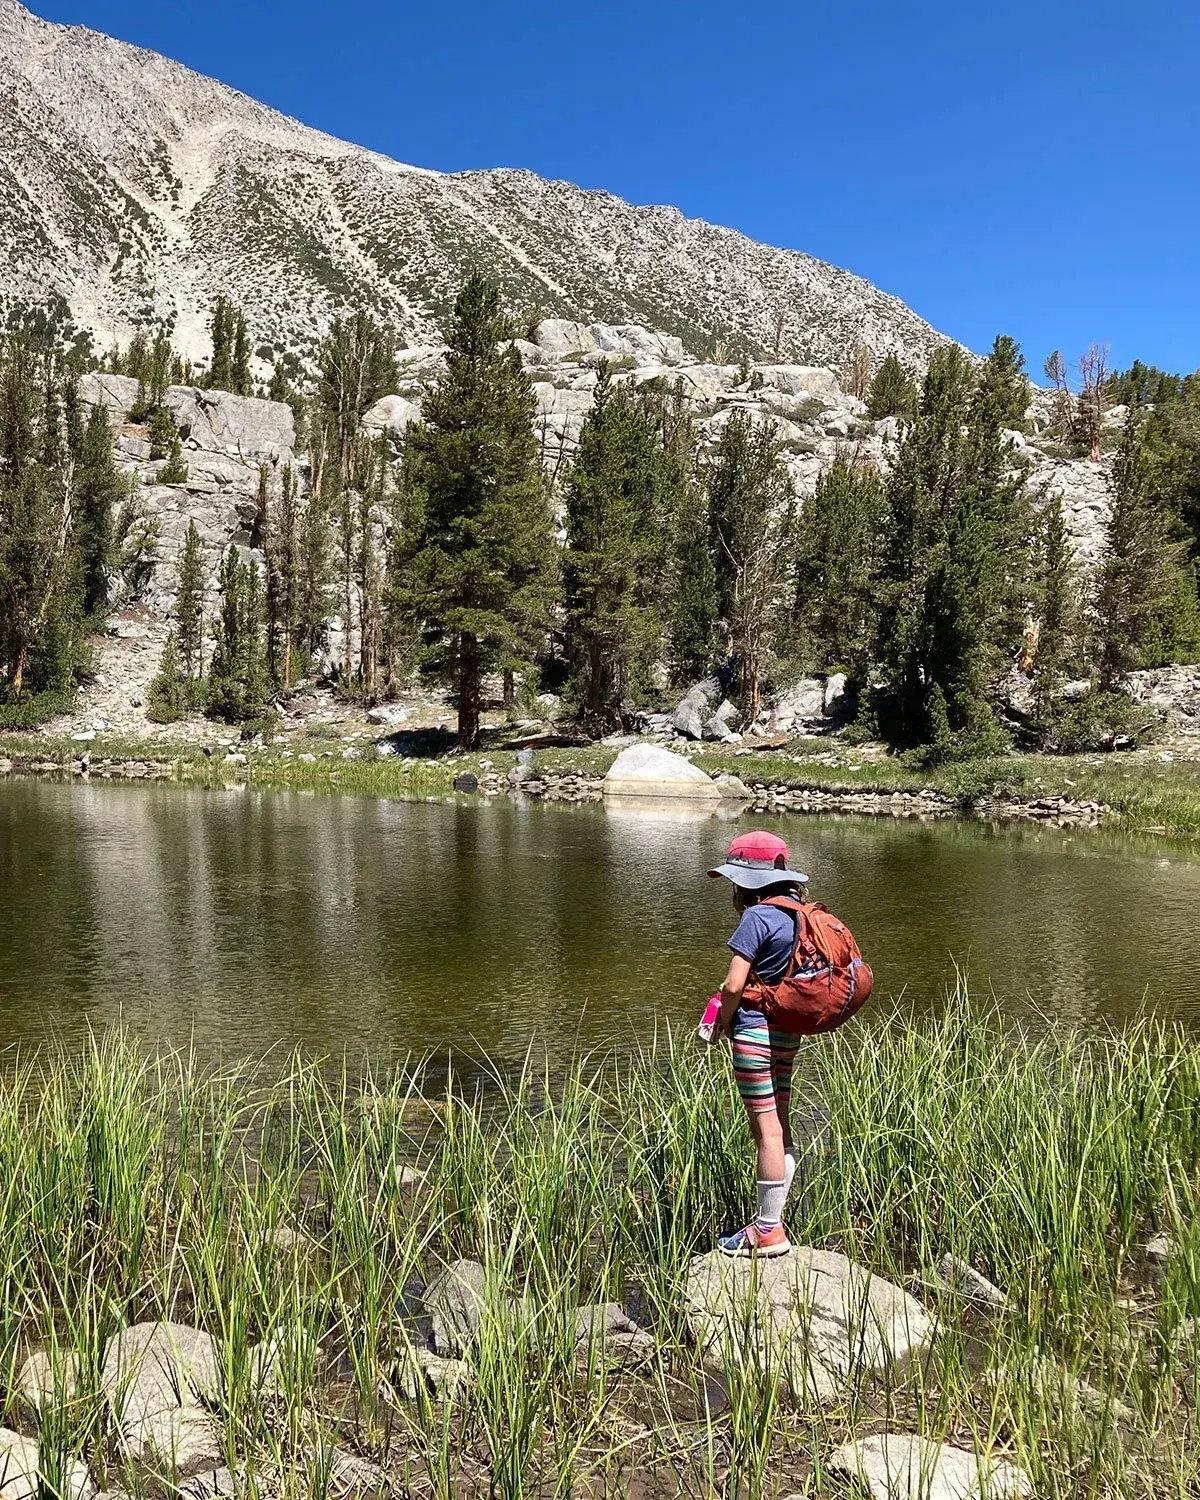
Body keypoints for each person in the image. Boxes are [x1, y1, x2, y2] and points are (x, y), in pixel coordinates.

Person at [707, 830, 810, 1258]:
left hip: (753, 1032)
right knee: (779, 1126)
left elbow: (734, 984)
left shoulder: (756, 918)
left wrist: (720, 1023)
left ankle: (768, 1232)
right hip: (787, 1031)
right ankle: (773, 1221)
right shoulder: (800, 914)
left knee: (764, 1132)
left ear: (746, 881)